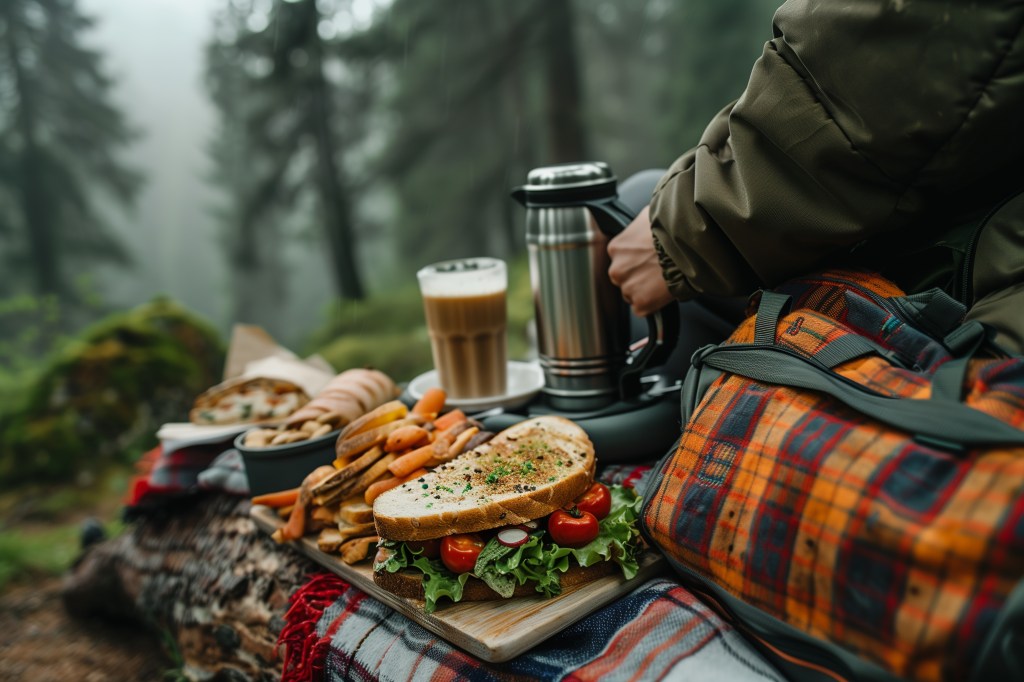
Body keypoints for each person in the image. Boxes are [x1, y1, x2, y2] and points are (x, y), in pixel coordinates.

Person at [608, 0, 1024, 354]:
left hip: (995, 290)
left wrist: (682, 237)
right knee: (644, 195)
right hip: (986, 223)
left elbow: (858, 109)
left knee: (635, 206)